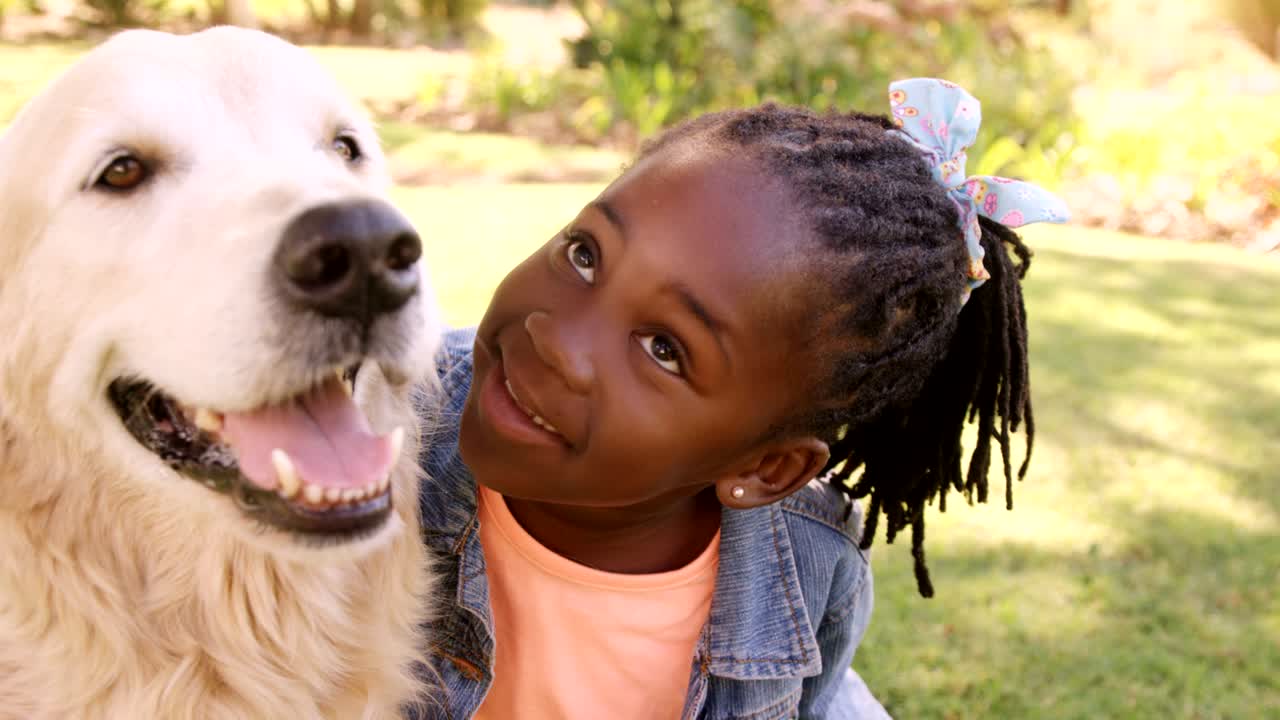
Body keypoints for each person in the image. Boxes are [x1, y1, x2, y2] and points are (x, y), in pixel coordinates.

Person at [413, 78, 1069, 719]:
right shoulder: (393, 415)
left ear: (766, 469)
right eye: (585, 255)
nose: (556, 341)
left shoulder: (812, 568)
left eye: (665, 349)